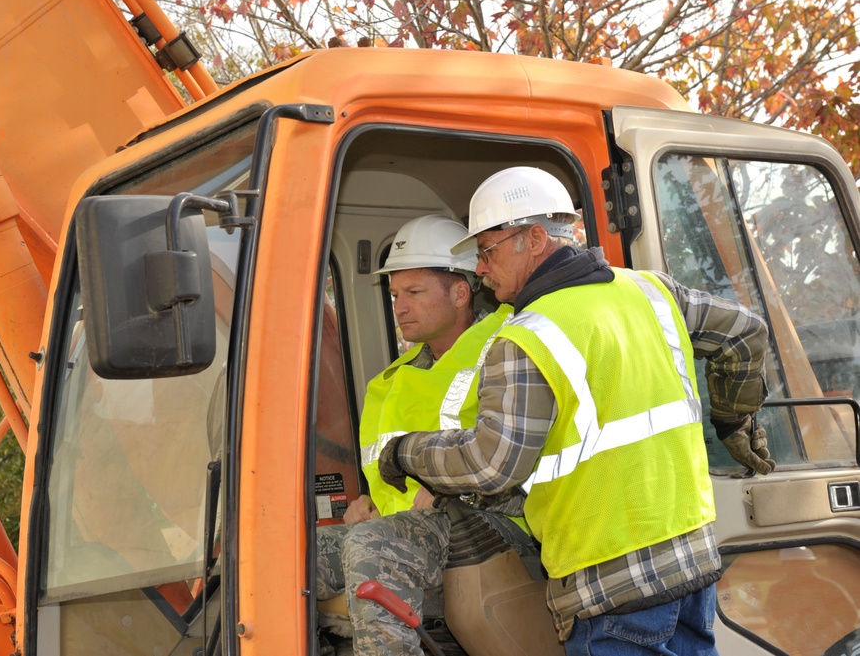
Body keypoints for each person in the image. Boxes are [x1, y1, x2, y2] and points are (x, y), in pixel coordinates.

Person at [378, 167, 775, 655]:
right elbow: (745, 332)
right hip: (691, 565)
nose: (480, 269)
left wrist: (403, 453)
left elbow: (489, 465)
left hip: (611, 588)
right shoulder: (650, 291)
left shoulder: (527, 337)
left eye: (487, 251)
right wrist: (735, 418)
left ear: (535, 238)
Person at [315, 214, 536, 655]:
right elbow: (384, 477)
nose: (399, 307)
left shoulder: (509, 348)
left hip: (502, 527)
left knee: (372, 546)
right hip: (410, 531)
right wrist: (365, 505)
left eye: (413, 293)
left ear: (459, 292)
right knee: (295, 553)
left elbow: (533, 466)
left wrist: (455, 498)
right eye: (395, 294)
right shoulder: (389, 383)